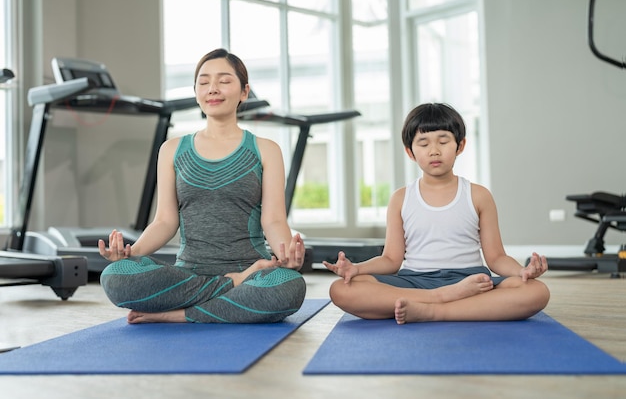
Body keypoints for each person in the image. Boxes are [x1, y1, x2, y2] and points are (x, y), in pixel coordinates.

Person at [98, 48, 306, 324]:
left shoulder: (265, 149)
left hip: (253, 269)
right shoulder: (171, 149)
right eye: (204, 82)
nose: (213, 89)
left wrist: (284, 254)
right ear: (196, 91)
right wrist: (130, 253)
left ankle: (179, 315)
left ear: (244, 92)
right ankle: (229, 291)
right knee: (114, 277)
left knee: (288, 287)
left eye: (224, 80)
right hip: (189, 274)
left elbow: (274, 219)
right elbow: (164, 221)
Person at [323, 102, 550, 324]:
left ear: (460, 146)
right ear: (410, 152)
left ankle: (432, 312)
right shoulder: (400, 198)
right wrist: (357, 268)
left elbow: (496, 258)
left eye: (443, 141)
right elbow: (391, 260)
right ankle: (439, 299)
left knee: (536, 291)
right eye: (423, 143)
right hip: (414, 282)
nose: (434, 151)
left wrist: (523, 271)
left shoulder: (479, 195)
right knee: (342, 290)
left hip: (471, 281)